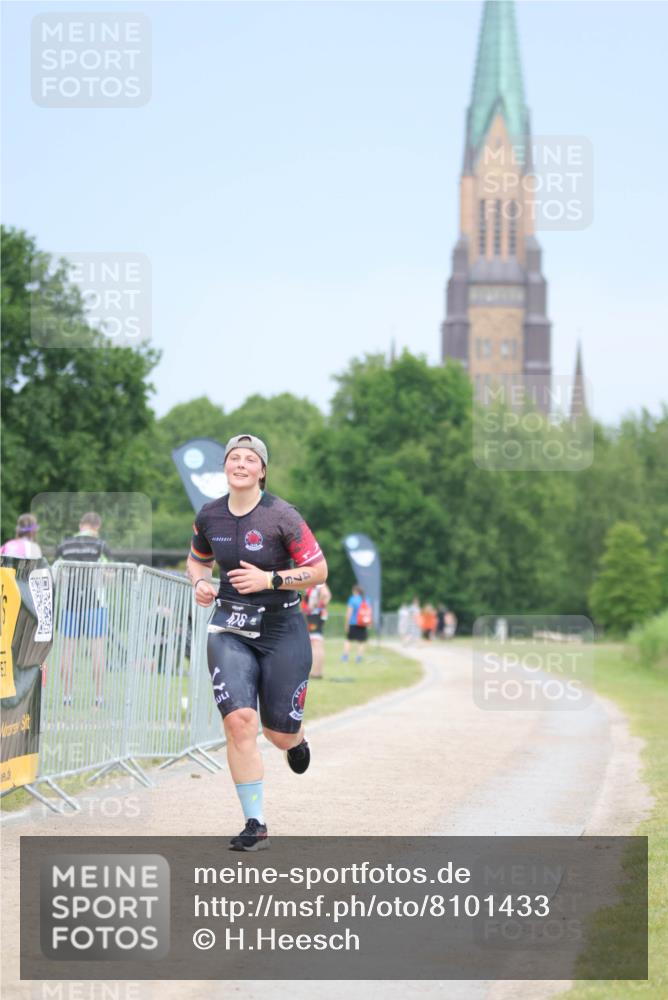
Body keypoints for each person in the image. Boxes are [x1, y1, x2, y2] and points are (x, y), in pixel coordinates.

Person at [187, 434, 328, 852]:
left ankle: (295, 738)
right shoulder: (210, 515)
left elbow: (318, 571)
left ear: (262, 471)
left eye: (250, 459)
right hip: (230, 627)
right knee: (239, 722)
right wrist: (200, 582)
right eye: (234, 458)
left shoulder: (282, 515)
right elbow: (198, 559)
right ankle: (256, 823)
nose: (241, 464)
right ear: (225, 467)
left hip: (282, 628)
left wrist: (270, 579)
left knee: (277, 735)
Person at [55, 512, 112, 707]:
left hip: (70, 604)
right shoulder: (100, 545)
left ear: (81, 525)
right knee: (98, 651)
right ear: (97, 527)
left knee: (68, 651)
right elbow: (109, 574)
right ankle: (98, 698)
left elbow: (57, 574)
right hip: (95, 604)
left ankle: (67, 698)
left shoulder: (64, 545)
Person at [303, 582, 332, 679]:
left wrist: (317, 605)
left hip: (315, 615)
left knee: (315, 643)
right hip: (315, 615)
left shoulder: (318, 582)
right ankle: (317, 672)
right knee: (317, 643)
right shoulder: (316, 583)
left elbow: (326, 594)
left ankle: (316, 672)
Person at [342, 584, 369, 663]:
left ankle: (345, 657)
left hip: (353, 623)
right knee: (361, 642)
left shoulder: (352, 599)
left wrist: (346, 624)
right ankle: (359, 658)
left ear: (355, 591)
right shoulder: (366, 599)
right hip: (362, 624)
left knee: (348, 640)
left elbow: (349, 613)